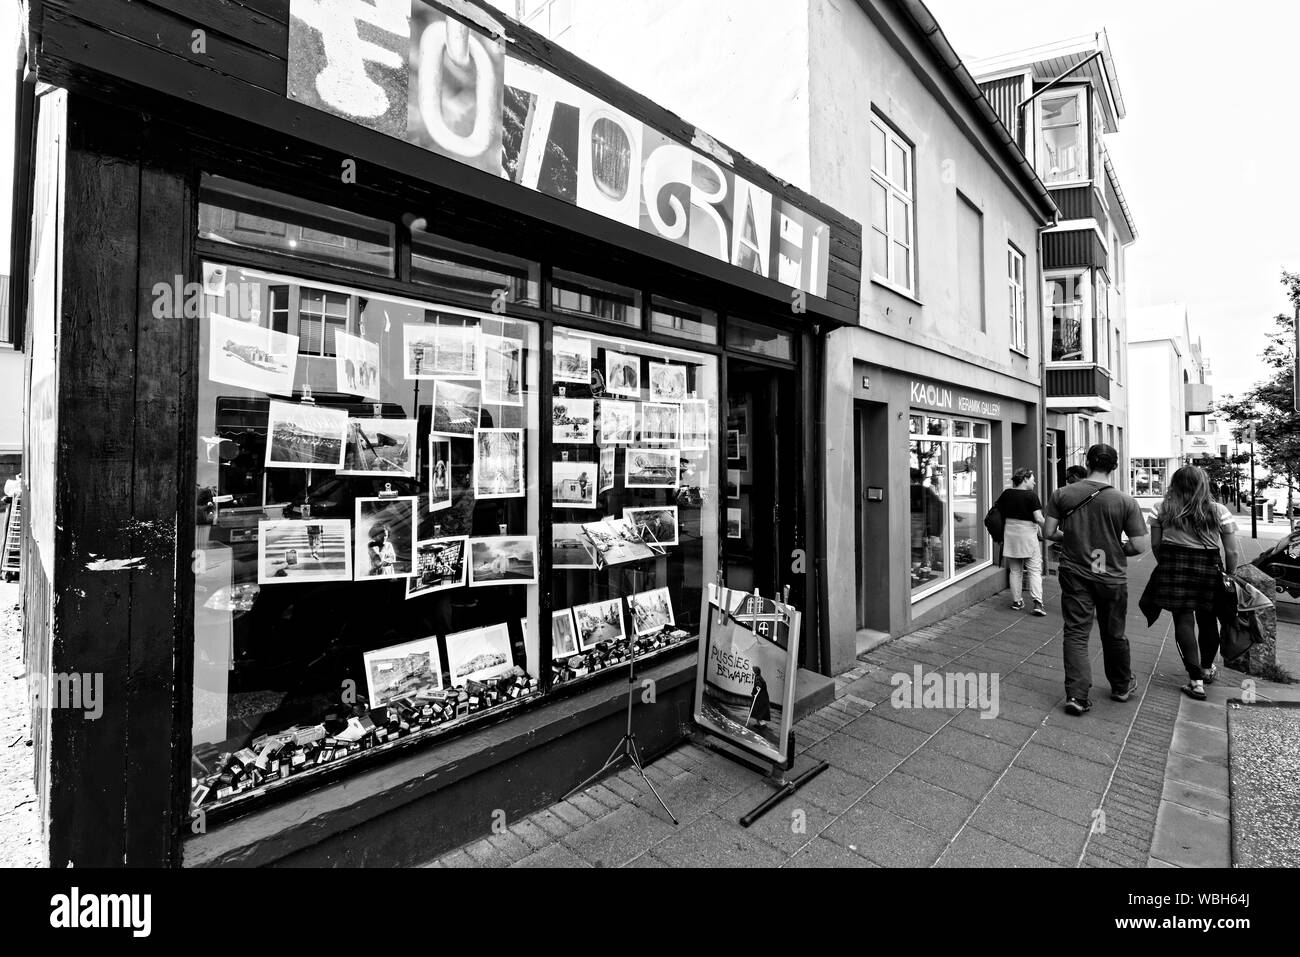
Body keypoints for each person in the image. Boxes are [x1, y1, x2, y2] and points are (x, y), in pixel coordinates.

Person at [1044, 444, 1150, 716]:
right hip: (1110, 575)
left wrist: (1075, 538)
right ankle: (1121, 686)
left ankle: (1077, 696)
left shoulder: (1062, 494)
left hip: (1075, 571)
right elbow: (1139, 545)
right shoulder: (1125, 501)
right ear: (1114, 466)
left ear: (1087, 462)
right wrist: (1115, 547)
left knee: (1076, 632)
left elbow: (1049, 532)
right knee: (1113, 633)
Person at [1140, 466, 1239, 701]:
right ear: (1203, 484)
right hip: (1209, 568)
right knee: (1208, 620)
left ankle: (1195, 682)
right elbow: (1232, 551)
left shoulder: (1162, 509)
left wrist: (1165, 564)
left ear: (1175, 484)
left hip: (1175, 567)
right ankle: (1206, 669)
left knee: (1183, 622)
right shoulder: (1218, 511)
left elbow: (1155, 545)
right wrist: (1230, 575)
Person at [993, 468, 1047, 616]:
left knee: (1015, 571)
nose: (1034, 482)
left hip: (1010, 535)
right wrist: (1051, 530)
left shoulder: (1006, 494)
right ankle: (1037, 603)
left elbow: (999, 513)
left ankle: (1017, 601)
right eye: (1032, 479)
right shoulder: (1031, 496)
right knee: (1034, 570)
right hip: (1027, 535)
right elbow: (1039, 518)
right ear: (1025, 479)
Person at [749, 665, 771, 730]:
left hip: (760, 698)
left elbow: (759, 685)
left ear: (755, 671)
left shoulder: (758, 678)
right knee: (758, 712)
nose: (752, 672)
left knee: (758, 711)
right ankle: (761, 724)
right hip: (762, 697)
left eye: (753, 671)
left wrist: (756, 690)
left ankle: (762, 725)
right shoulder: (758, 677)